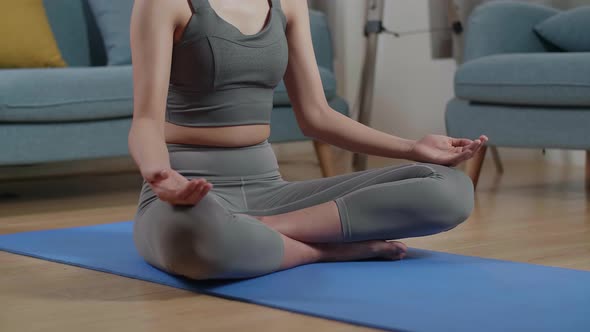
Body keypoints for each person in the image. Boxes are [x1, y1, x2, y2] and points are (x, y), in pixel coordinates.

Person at [128, 0, 489, 280]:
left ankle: (267, 233)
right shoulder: (164, 3)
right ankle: (325, 251)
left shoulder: (288, 3)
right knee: (199, 242)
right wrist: (161, 176)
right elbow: (146, 121)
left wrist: (413, 148)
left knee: (451, 190)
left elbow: (317, 115)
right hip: (191, 193)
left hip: (268, 191)